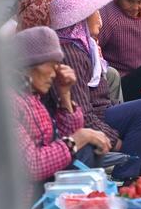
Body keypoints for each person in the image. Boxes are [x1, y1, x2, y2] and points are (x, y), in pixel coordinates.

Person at [49, 0, 141, 181]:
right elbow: (82, 115)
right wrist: (115, 141)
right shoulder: (71, 54)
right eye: (95, 12)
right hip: (89, 122)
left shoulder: (83, 47)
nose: (100, 20)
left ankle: (130, 175)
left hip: (100, 115)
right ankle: (126, 177)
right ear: (81, 19)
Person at [10, 27, 112, 199]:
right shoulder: (9, 102)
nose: (54, 73)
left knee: (88, 148)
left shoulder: (32, 96)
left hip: (43, 189)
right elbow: (33, 166)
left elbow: (65, 137)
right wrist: (80, 137)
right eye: (50, 65)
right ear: (28, 65)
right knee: (86, 147)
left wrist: (65, 93)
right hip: (22, 201)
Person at [17, 0, 124, 102]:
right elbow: (95, 31)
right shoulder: (61, 4)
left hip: (36, 70)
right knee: (111, 76)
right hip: (63, 69)